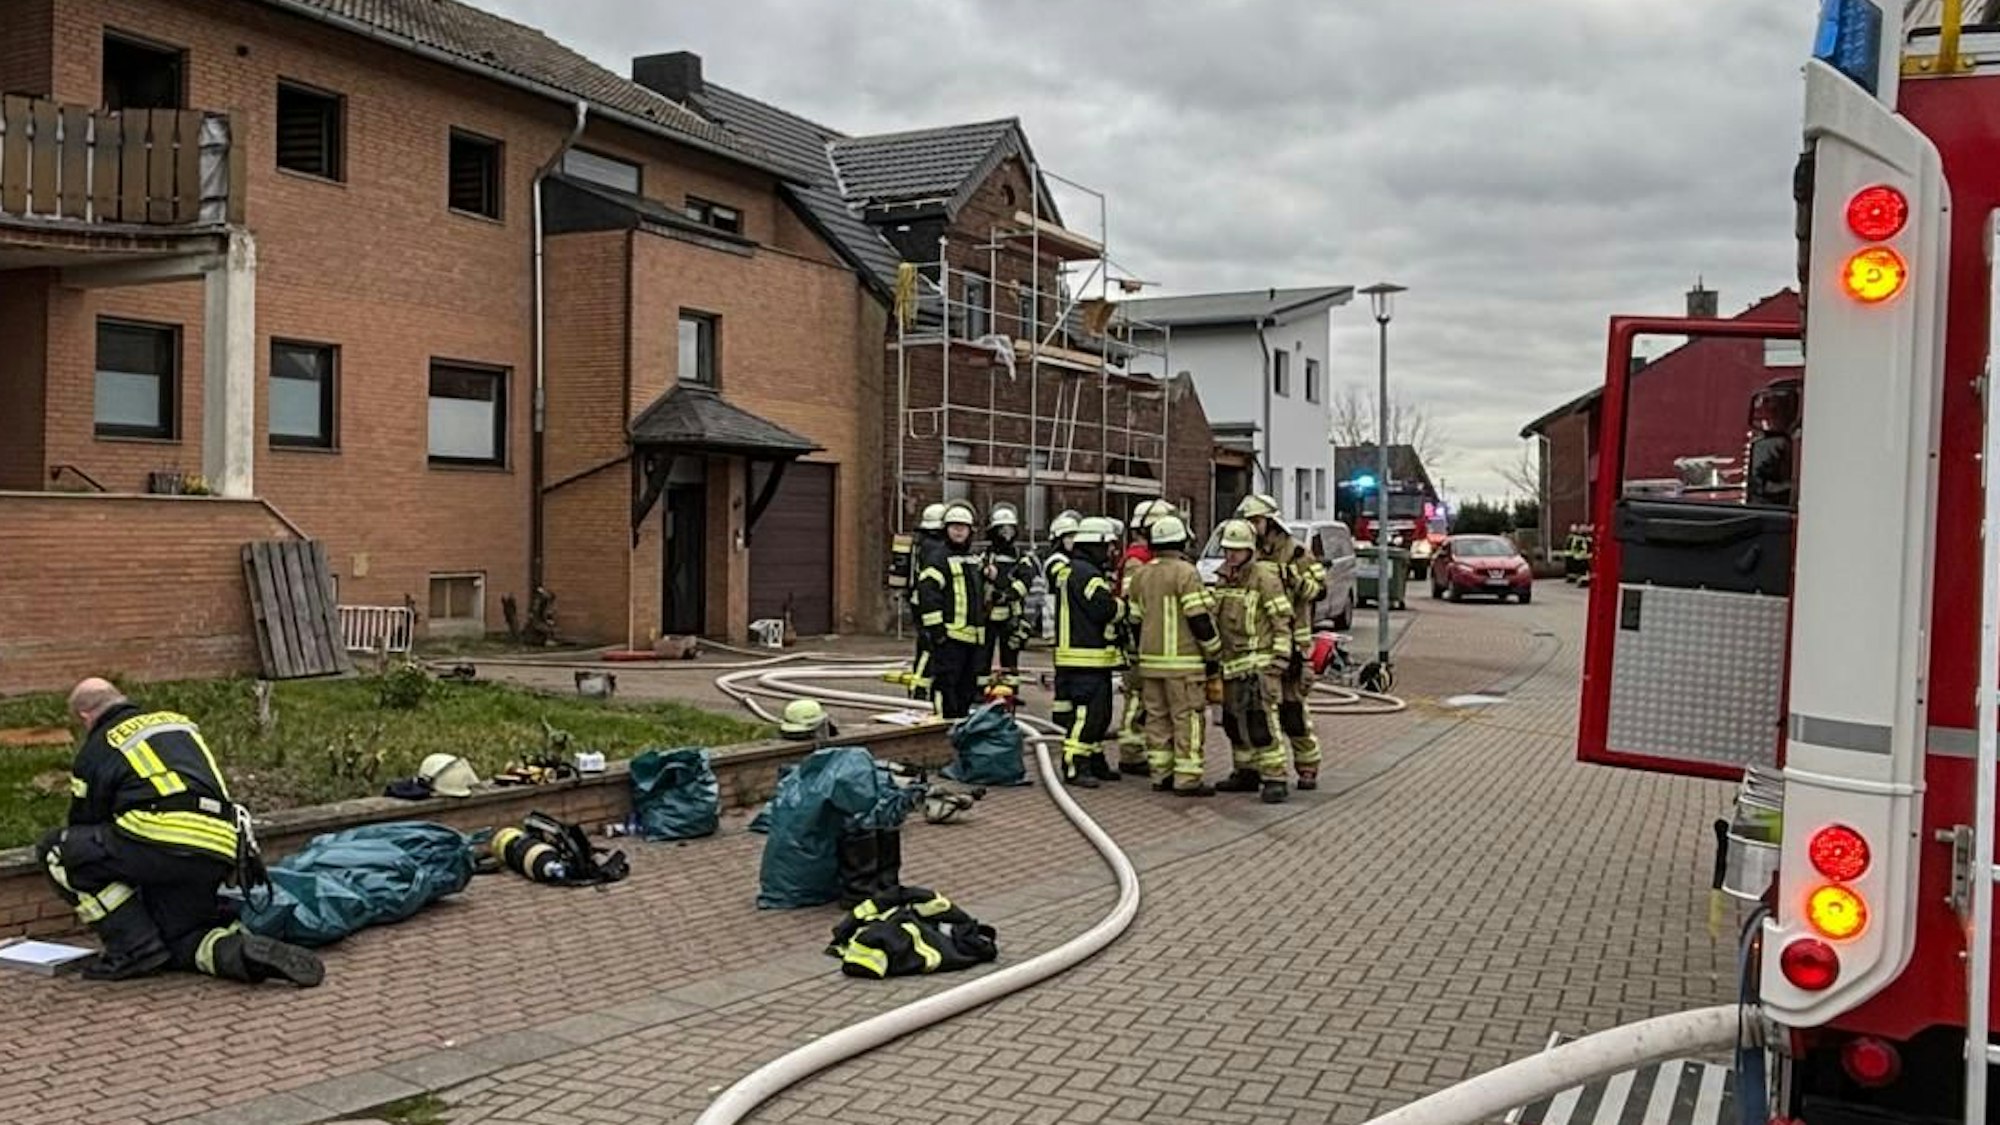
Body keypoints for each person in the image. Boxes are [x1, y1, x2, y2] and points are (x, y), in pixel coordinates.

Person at [36, 678, 324, 985]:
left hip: (160, 839)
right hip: (220, 845)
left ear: (85, 716)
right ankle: (240, 953)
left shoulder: (99, 745)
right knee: (182, 937)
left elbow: (85, 821)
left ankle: (133, 948)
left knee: (58, 852)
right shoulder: (177, 724)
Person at [1124, 514, 1222, 796]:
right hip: (1185, 663)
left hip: (1150, 664)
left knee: (1156, 718)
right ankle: (1187, 778)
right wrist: (1214, 650)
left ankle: (1161, 774)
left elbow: (1134, 619)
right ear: (1181, 542)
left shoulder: (1141, 574)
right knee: (1187, 719)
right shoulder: (1186, 573)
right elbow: (1198, 617)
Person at [1237, 493, 1327, 789]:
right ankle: (1255, 770)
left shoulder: (1297, 552)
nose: (1251, 526)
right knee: (1255, 709)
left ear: (1271, 522)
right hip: (1263, 644)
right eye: (1248, 521)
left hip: (1295, 644)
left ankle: (1307, 766)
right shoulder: (1249, 552)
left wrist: (1294, 580)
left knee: (1292, 710)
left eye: (1256, 520)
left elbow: (1320, 589)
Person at [1211, 519, 1294, 804]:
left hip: (1259, 666)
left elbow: (1282, 621)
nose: (1231, 555)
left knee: (1262, 724)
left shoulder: (1264, 579)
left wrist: (1280, 659)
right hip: (1231, 665)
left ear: (1250, 550)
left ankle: (1275, 777)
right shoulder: (1222, 579)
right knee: (1235, 723)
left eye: (1237, 550)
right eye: (1227, 550)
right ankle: (1245, 771)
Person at [1051, 516, 1125, 787]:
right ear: (1095, 545)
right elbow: (1103, 609)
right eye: (1108, 546)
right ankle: (1075, 766)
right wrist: (1123, 607)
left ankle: (1094, 761)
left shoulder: (1072, 570)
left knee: (1098, 715)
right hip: (1087, 658)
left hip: (1079, 658)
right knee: (1087, 715)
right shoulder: (1087, 575)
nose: (1111, 552)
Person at [1113, 499, 1177, 776]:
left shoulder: (1146, 556)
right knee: (1137, 696)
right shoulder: (1137, 558)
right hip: (1138, 640)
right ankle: (1131, 752)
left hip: (1148, 638)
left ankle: (1140, 749)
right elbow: (1132, 601)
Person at [917, 503, 988, 720]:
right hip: (949, 638)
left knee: (966, 690)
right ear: (946, 529)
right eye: (954, 526)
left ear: (970, 531)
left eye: (963, 527)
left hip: (972, 638)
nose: (958, 531)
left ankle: (961, 726)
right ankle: (943, 730)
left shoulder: (974, 560)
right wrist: (937, 631)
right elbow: (928, 595)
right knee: (946, 686)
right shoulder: (938, 558)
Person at [979, 503, 1033, 696]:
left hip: (1011, 616)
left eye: (1010, 529)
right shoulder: (985, 556)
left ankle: (1010, 692)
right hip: (988, 616)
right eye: (1002, 529)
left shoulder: (1021, 557)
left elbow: (1026, 580)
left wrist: (1008, 594)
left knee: (1010, 657)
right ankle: (980, 692)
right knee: (982, 656)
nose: (1006, 533)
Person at [907, 503, 948, 702]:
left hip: (918, 600)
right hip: (927, 602)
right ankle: (919, 688)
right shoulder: (936, 547)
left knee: (925, 645)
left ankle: (922, 686)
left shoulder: (921, 542)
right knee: (929, 646)